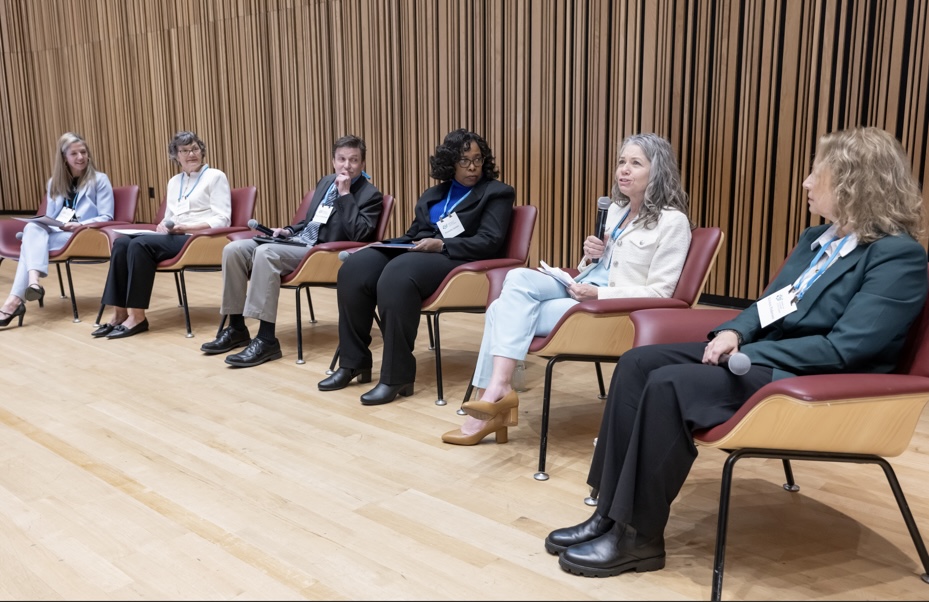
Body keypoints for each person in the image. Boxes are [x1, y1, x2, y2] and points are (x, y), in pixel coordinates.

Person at [544, 127, 928, 578]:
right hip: (766, 357)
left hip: (813, 380)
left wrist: (755, 353)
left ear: (851, 184)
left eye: (815, 174)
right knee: (637, 363)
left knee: (670, 384)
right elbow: (767, 304)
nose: (805, 183)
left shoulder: (896, 257)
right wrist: (733, 333)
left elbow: (847, 349)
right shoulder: (815, 242)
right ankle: (607, 513)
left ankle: (638, 537)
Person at [442, 133, 693, 445]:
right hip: (583, 288)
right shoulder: (616, 210)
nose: (623, 170)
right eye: (621, 162)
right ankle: (498, 391)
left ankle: (493, 396)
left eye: (635, 163)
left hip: (611, 312)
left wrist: (599, 295)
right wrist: (590, 254)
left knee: (499, 310)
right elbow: (598, 267)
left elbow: (661, 294)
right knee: (517, 279)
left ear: (658, 171)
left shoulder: (673, 223)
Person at [318, 128, 516, 405]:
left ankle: (396, 376)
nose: (472, 167)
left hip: (462, 261)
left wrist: (443, 245)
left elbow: (490, 241)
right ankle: (353, 362)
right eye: (464, 161)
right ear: (449, 163)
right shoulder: (434, 194)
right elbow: (414, 234)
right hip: (422, 252)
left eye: (477, 159)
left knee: (397, 275)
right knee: (356, 267)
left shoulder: (496, 193)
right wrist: (380, 245)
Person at [200, 135, 384, 367]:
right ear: (333, 160)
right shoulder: (326, 182)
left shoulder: (371, 195)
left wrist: (346, 195)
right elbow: (312, 221)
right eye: (341, 159)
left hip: (325, 254)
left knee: (266, 253)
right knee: (233, 250)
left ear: (363, 164)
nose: (346, 165)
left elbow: (359, 235)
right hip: (299, 242)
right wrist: (287, 230)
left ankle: (266, 339)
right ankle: (236, 327)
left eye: (353, 160)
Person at [93, 131, 231, 339]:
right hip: (174, 235)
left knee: (140, 245)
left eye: (194, 148)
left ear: (202, 151)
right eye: (184, 150)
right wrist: (163, 227)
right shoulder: (174, 181)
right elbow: (169, 217)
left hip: (198, 239)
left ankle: (137, 317)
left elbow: (222, 219)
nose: (191, 154)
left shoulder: (215, 176)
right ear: (176, 156)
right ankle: (119, 313)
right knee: (122, 244)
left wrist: (186, 227)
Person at [1, 132, 114, 329]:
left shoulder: (100, 179)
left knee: (30, 240)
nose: (80, 157)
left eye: (83, 152)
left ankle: (17, 299)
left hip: (83, 235)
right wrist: (49, 224)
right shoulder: (54, 182)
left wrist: (78, 225)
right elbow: (51, 218)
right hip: (60, 233)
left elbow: (107, 216)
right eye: (74, 153)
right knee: (34, 227)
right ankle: (30, 286)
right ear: (64, 157)